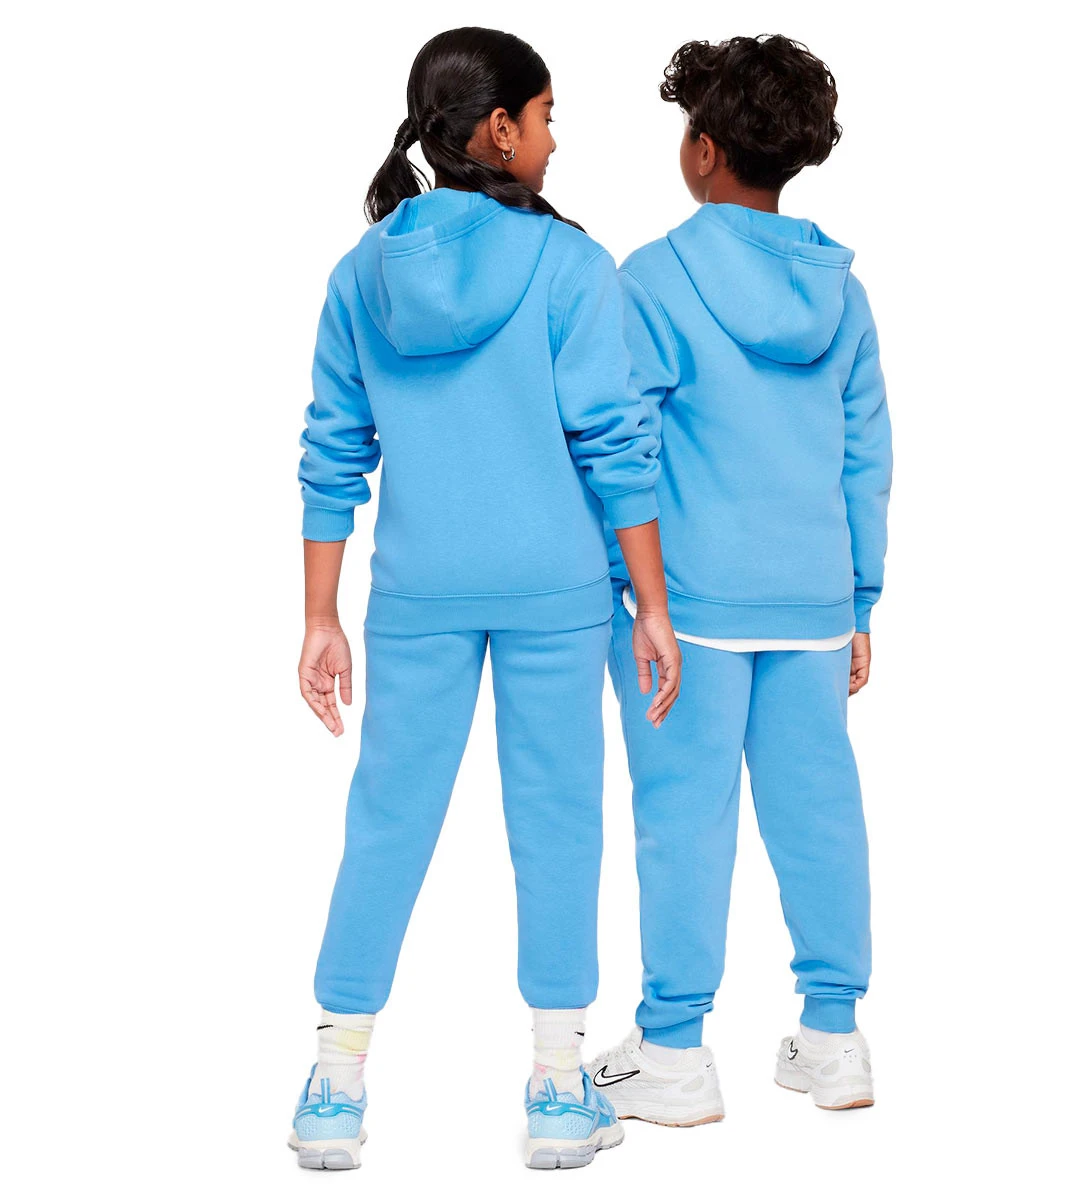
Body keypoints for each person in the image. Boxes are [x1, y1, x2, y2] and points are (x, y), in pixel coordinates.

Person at [289, 26, 681, 1171]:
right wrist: (653, 604)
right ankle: (559, 1086)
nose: (555, 139)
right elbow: (616, 446)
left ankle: (334, 1083)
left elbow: (332, 453)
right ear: (499, 130)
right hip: (558, 590)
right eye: (547, 116)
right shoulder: (568, 266)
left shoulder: (363, 273)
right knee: (558, 822)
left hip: (416, 592)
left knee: (386, 819)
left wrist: (320, 617)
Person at [587, 34, 892, 1124]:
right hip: (812, 603)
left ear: (705, 150)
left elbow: (621, 447)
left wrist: (625, 592)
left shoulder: (653, 277)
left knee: (683, 817)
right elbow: (866, 456)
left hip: (688, 610)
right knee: (820, 812)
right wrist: (859, 601)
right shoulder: (841, 293)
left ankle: (672, 1052)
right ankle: (834, 1039)